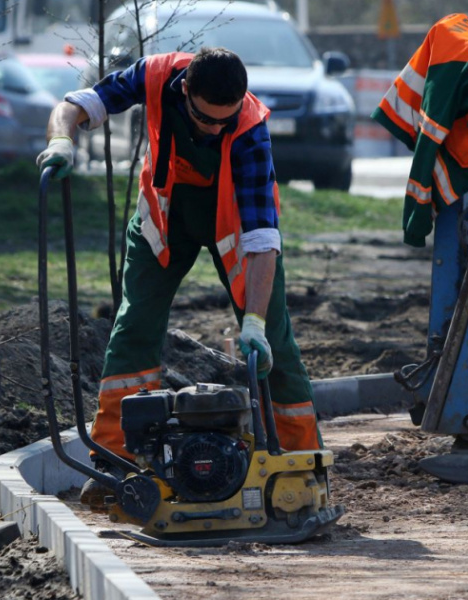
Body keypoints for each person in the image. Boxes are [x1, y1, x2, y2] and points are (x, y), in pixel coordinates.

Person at [37, 47, 322, 505]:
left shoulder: (249, 128)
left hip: (233, 231)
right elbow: (75, 106)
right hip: (164, 220)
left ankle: (301, 465)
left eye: (222, 123)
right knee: (135, 329)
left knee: (274, 343)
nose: (214, 129)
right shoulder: (154, 75)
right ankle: (119, 463)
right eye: (205, 119)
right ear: (184, 89)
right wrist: (61, 141)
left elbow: (263, 238)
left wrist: (254, 323)